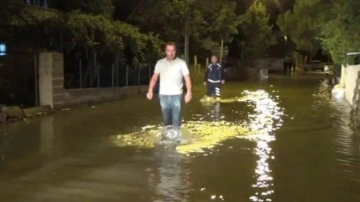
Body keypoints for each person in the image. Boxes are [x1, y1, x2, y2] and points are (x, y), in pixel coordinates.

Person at [146, 42, 192, 136]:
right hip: (163, 96)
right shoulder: (160, 63)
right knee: (166, 122)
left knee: (176, 121)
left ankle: (176, 142)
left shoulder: (181, 63)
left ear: (175, 51)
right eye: (168, 50)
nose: (171, 53)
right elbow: (154, 78)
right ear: (165, 51)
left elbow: (187, 78)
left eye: (173, 50)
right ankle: (168, 141)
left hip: (177, 96)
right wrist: (150, 90)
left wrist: (189, 92)